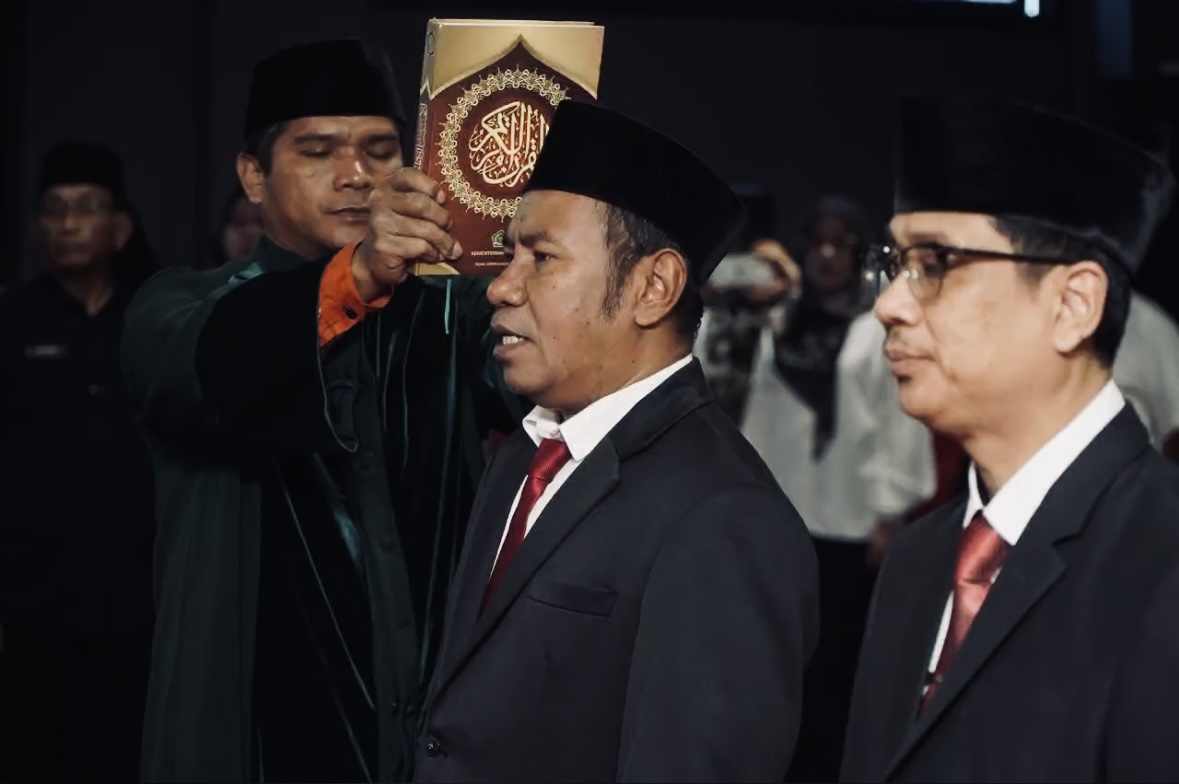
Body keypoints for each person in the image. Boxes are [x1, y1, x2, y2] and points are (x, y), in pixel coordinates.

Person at [121, 40, 523, 783]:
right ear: (253, 175)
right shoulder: (180, 307)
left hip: (435, 731)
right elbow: (205, 365)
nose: (356, 175)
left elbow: (552, 382)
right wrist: (358, 275)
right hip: (259, 733)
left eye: (380, 150)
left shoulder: (448, 314)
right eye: (317, 151)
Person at [408, 100, 819, 782]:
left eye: (541, 257)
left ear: (652, 287)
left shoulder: (724, 517)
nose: (501, 287)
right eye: (509, 254)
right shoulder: (525, 452)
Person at [840, 94, 1179, 782]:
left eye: (935, 263)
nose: (888, 304)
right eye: (895, 263)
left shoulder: (1161, 555)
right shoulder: (917, 559)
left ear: (1072, 305)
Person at [0, 140, 157, 783]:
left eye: (85, 208)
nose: (68, 224)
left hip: (139, 596)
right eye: (54, 209)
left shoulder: (151, 320)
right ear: (35, 227)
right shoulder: (10, 319)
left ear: (119, 227)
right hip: (34, 601)